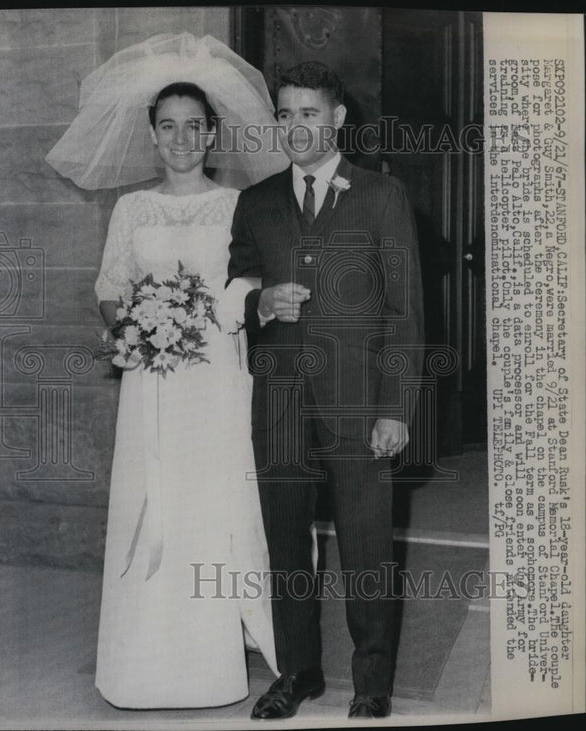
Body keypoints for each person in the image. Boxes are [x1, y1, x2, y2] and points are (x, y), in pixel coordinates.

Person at [46, 33, 289, 709]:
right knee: (151, 499)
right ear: (152, 137)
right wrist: (134, 322)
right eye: (168, 128)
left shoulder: (237, 204)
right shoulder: (132, 208)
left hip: (215, 375)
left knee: (209, 502)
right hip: (153, 378)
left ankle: (211, 659)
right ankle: (141, 662)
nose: (181, 140)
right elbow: (109, 284)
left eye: (193, 128)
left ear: (212, 136)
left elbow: (248, 284)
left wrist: (208, 312)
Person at [227, 61, 424, 719]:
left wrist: (396, 410)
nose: (295, 126)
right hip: (279, 404)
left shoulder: (381, 195)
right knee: (286, 545)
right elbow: (238, 284)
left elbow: (406, 313)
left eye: (309, 112)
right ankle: (299, 672)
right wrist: (261, 301)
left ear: (337, 118)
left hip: (361, 403)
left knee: (367, 545)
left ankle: (370, 683)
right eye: (284, 113)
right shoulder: (255, 201)